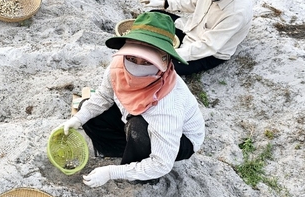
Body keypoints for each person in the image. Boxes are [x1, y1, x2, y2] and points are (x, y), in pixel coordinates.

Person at [60, 12, 205, 186]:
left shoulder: (167, 107)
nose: (136, 66)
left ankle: (139, 172)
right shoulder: (118, 67)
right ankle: (126, 150)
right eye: (131, 58)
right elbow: (104, 96)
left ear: (165, 61)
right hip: (132, 115)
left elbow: (162, 164)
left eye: (146, 62)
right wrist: (78, 118)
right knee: (88, 109)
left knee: (138, 129)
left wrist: (111, 172)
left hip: (180, 139)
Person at [140, 0, 253, 76]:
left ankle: (171, 52)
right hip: (190, 30)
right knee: (153, 16)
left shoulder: (237, 12)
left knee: (161, 67)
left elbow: (208, 45)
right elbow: (190, 1)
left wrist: (170, 54)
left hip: (209, 53)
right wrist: (163, 3)